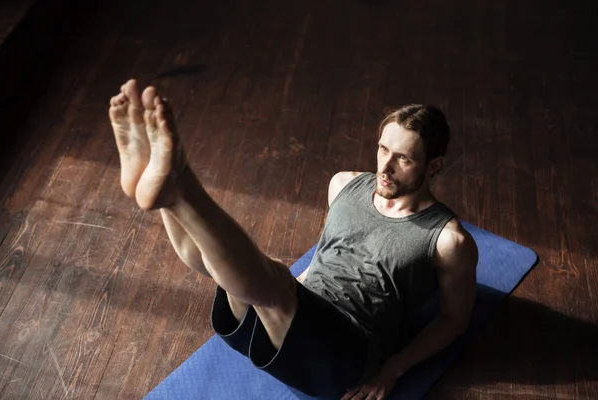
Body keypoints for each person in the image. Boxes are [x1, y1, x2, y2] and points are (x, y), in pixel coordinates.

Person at [109, 79, 478, 400]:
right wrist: (302, 287)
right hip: (283, 322)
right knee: (229, 271)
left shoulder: (448, 240)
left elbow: (453, 320)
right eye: (383, 149)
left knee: (271, 281)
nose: (384, 166)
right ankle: (165, 186)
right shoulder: (344, 184)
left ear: (434, 166)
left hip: (341, 357)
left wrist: (393, 369)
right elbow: (332, 255)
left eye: (403, 159)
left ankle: (177, 181)